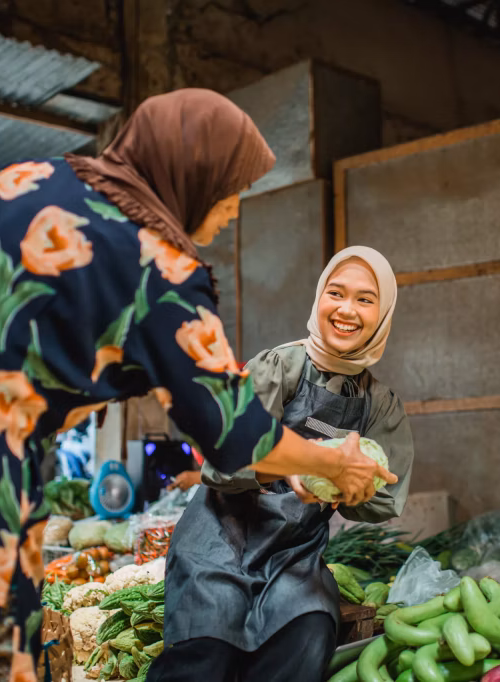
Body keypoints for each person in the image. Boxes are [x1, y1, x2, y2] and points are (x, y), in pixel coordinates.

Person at [0, 90, 394, 680]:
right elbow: (235, 433)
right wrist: (333, 463)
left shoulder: (35, 175)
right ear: (191, 175)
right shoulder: (160, 266)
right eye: (229, 192)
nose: (231, 212)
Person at [150, 246, 415, 682]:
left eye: (366, 299)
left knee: (306, 638)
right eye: (336, 293)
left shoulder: (379, 406)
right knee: (206, 653)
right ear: (319, 298)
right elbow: (221, 460)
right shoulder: (278, 367)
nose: (346, 310)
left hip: (294, 558)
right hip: (220, 541)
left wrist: (355, 487)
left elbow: (384, 496)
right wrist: (291, 470)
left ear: (383, 313)